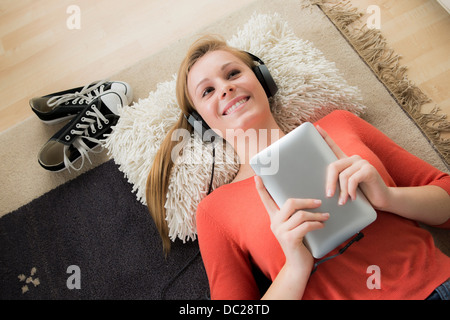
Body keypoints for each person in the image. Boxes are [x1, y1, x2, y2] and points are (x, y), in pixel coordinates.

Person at [146, 35, 450, 299]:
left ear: (263, 79)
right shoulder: (215, 210)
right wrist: (295, 268)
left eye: (233, 73)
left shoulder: (339, 124)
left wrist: (389, 199)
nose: (225, 88)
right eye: (207, 91)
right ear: (201, 123)